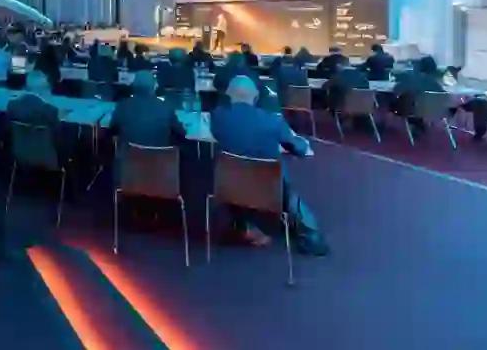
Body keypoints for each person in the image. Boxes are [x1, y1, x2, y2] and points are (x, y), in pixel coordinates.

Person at [210, 76, 328, 255]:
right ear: (256, 97)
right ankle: (311, 236)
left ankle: (241, 224)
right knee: (286, 185)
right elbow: (301, 149)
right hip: (268, 190)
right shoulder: (272, 121)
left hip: (226, 185)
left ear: (228, 95)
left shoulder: (217, 116)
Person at [108, 71, 186, 148]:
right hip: (160, 159)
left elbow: (112, 128)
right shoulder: (166, 106)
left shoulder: (122, 105)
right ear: (154, 87)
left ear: (134, 86)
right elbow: (181, 132)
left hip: (128, 158)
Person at [391, 55, 444, 133]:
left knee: (394, 103)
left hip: (412, 111)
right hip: (435, 111)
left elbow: (396, 90)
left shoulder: (412, 78)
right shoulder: (436, 82)